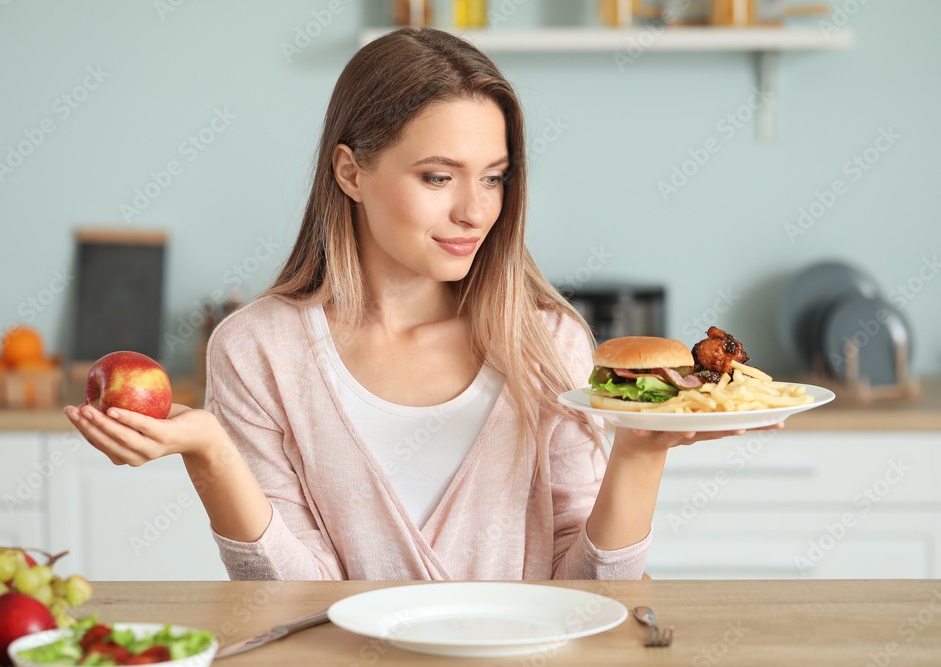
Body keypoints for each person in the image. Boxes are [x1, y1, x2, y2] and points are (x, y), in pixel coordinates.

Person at [64, 27, 780, 580]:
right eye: (439, 177)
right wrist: (210, 454)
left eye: (494, 178)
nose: (475, 211)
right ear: (350, 171)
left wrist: (640, 453)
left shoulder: (548, 342)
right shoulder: (258, 350)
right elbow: (290, 599)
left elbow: (592, 596)